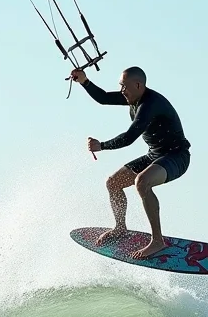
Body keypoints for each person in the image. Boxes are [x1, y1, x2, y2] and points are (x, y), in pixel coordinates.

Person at [70, 65, 191, 259]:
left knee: (142, 182)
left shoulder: (150, 104)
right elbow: (103, 98)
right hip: (155, 155)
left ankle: (157, 241)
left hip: (176, 157)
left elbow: (129, 137)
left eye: (124, 87)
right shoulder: (132, 97)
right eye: (120, 86)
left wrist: (102, 145)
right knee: (113, 183)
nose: (122, 91)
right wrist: (84, 81)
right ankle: (120, 228)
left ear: (138, 85)